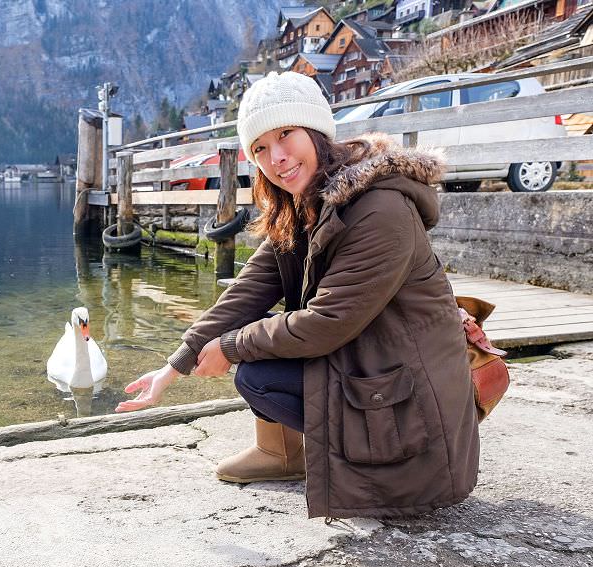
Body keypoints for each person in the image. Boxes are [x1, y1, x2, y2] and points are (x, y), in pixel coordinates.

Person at [115, 71, 479, 520]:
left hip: (412, 407)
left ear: (317, 131)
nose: (278, 158)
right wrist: (174, 365)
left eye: (286, 134)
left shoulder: (380, 210)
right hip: (371, 368)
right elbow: (247, 291)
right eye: (261, 148)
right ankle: (281, 455)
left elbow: (327, 325)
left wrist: (230, 346)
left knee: (255, 369)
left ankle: (332, 461)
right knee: (258, 354)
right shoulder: (303, 203)